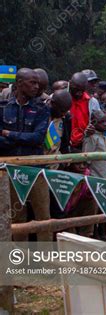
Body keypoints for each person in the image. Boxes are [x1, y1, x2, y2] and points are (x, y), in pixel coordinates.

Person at [0, 68, 51, 241]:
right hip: (11, 170)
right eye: (32, 82)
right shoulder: (3, 108)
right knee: (17, 216)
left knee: (43, 216)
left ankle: (46, 260)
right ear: (20, 83)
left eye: (38, 83)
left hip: (36, 170)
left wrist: (9, 134)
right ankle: (19, 259)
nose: (37, 87)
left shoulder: (42, 109)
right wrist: (20, 139)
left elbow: (37, 138)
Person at [44, 89, 72, 161]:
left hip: (55, 164)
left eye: (66, 111)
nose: (64, 114)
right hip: (36, 162)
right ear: (52, 103)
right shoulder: (39, 111)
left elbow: (65, 143)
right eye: (62, 111)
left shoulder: (66, 118)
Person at [83, 110, 106, 178]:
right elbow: (87, 159)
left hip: (104, 175)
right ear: (94, 122)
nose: (105, 124)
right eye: (101, 122)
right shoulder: (92, 138)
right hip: (95, 176)